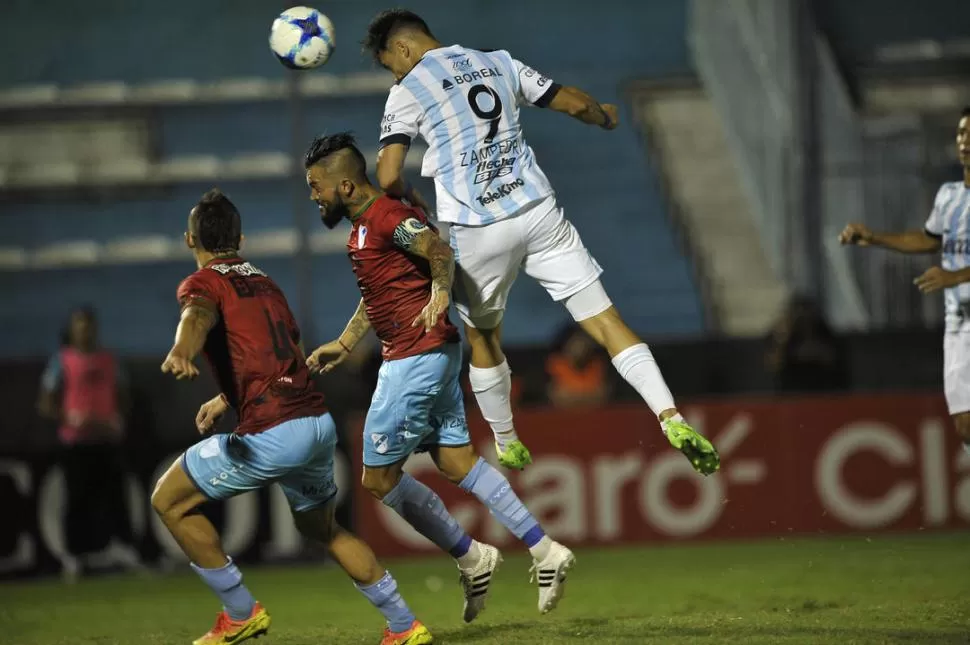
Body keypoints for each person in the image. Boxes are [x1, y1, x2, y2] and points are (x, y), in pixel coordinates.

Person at [363, 9, 719, 476]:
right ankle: (669, 415)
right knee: (606, 320)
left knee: (484, 336)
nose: (395, 70)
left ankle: (507, 440)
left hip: (477, 229)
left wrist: (402, 193)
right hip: (538, 213)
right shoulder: (500, 62)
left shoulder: (407, 90)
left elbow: (387, 173)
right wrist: (604, 117)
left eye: (390, 62)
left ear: (404, 48)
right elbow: (572, 102)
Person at [304, 133, 575, 620]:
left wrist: (439, 294)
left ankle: (471, 556)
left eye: (315, 186)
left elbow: (438, 252)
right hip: (429, 355)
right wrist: (345, 343)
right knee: (456, 462)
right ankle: (543, 548)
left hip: (414, 356)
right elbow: (379, 291)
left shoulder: (388, 217)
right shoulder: (365, 228)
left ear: (344, 185)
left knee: (378, 478)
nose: (313, 196)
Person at [151, 189, 432, 645]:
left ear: (189, 239)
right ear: (240, 237)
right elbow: (283, 355)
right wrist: (227, 399)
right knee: (321, 527)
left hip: (273, 430)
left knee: (168, 500)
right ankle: (404, 625)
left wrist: (183, 349)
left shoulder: (203, 283)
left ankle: (240, 611)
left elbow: (196, 315)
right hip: (316, 424)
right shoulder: (266, 283)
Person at [840, 105, 970, 455]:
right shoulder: (949, 195)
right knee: (964, 425)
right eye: (961, 134)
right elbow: (928, 239)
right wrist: (875, 238)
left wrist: (955, 275)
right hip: (959, 322)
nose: (965, 141)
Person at [37, 305, 142, 579]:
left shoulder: (110, 360)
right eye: (79, 324)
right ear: (72, 329)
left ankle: (124, 547)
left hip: (107, 440)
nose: (85, 330)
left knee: (116, 497)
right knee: (76, 500)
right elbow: (46, 402)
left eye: (89, 324)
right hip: (76, 442)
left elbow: (124, 394)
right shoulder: (61, 360)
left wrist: (119, 418)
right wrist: (68, 418)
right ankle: (74, 557)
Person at [764, 295, 848, 393]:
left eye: (808, 315)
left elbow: (831, 359)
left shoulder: (824, 333)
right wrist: (783, 337)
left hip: (823, 391)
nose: (805, 319)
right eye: (800, 316)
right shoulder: (784, 336)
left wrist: (812, 346)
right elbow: (774, 365)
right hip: (791, 392)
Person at [546, 325, 612, 408]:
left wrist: (574, 397)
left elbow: (601, 395)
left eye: (583, 343)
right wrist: (586, 397)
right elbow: (557, 396)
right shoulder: (556, 363)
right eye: (575, 343)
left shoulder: (597, 364)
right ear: (566, 345)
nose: (579, 348)